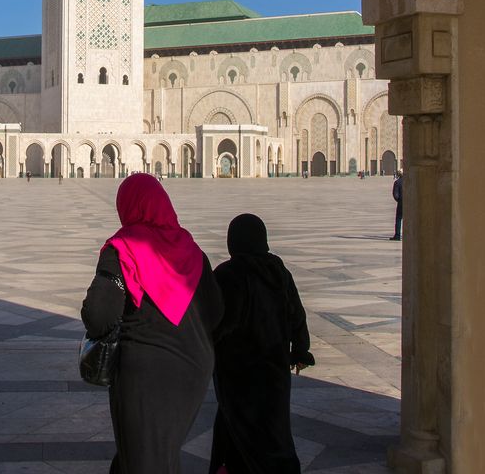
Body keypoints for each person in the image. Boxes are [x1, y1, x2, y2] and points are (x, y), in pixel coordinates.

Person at [81, 174, 222, 474]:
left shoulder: (122, 249)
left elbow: (99, 314)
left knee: (147, 460)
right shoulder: (192, 251)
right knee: (158, 451)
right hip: (193, 372)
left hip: (145, 375)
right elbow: (217, 310)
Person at [209, 214, 314, 474]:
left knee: (239, 434)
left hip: (240, 374)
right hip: (275, 371)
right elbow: (297, 314)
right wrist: (300, 350)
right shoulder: (279, 270)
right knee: (275, 432)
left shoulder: (229, 274)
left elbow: (220, 322)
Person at [391, 170, 403, 241]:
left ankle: (397, 235)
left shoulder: (397, 182)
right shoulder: (410, 181)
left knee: (398, 219)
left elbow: (395, 195)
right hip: (409, 203)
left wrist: (399, 201)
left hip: (401, 203)